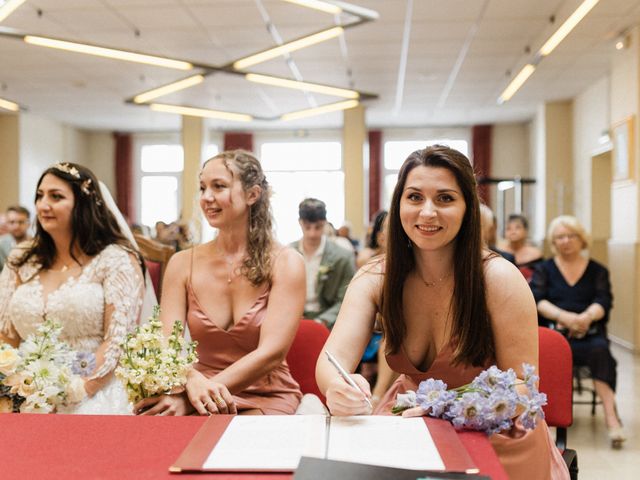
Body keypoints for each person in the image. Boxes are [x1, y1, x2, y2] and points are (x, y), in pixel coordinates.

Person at [316, 146, 569, 479]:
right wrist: (337, 387)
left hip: (495, 433)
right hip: (410, 425)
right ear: (399, 205)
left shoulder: (499, 278)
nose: (428, 212)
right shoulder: (375, 277)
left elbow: (522, 386)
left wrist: (445, 406)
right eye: (415, 197)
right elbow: (331, 359)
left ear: (468, 209)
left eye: (445, 199)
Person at [135, 150, 305, 416]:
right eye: (203, 188)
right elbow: (169, 344)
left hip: (265, 394)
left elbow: (271, 352)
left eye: (219, 187)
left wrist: (199, 397)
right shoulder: (182, 263)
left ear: (252, 195)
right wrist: (191, 384)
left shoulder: (286, 262)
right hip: (196, 389)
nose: (206, 197)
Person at [0, 162, 148, 414]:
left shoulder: (116, 260)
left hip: (94, 390)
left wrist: (74, 390)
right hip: (25, 392)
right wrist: (15, 388)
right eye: (40, 196)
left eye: (56, 197)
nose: (43, 205)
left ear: (83, 204)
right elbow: (6, 336)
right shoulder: (20, 258)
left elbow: (117, 340)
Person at [531, 215, 625, 448]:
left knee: (601, 351)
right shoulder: (544, 269)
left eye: (570, 236)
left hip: (588, 333)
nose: (565, 241)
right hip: (556, 333)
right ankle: (548, 422)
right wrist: (565, 317)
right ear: (554, 241)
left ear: (581, 239)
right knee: (548, 356)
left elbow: (603, 300)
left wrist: (585, 317)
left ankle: (611, 418)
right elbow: (537, 299)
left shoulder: (597, 270)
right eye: (559, 237)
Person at [290, 198, 355, 330]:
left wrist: (322, 321)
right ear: (300, 223)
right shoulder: (288, 254)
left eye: (318, 227)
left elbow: (346, 299)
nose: (312, 233)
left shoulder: (342, 257)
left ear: (325, 223)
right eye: (307, 227)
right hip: (293, 320)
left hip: (329, 323)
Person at [502, 213, 543, 281]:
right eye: (508, 228)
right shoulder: (499, 252)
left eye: (517, 227)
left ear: (526, 231)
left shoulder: (536, 254)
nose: (513, 231)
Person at [0, 205, 32, 271]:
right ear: (7, 224)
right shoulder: (1, 244)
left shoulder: (37, 245)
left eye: (21, 222)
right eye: (12, 222)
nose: (16, 226)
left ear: (28, 224)